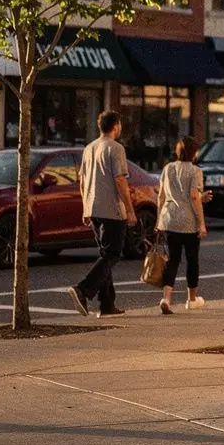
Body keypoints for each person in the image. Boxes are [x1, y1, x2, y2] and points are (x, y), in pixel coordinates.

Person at [68, 110, 136, 319]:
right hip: (112, 209)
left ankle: (107, 304)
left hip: (94, 208)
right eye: (120, 124)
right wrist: (130, 210)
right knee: (112, 254)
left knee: (105, 255)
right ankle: (83, 289)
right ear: (116, 125)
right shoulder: (115, 149)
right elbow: (120, 180)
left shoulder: (89, 148)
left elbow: (82, 181)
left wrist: (85, 207)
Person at [156, 136, 211, 315]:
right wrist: (202, 223)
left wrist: (158, 220)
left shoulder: (168, 168)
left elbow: (162, 196)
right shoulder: (195, 171)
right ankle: (191, 299)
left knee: (172, 260)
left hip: (169, 218)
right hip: (188, 222)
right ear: (194, 152)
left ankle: (166, 298)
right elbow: (194, 197)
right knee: (192, 260)